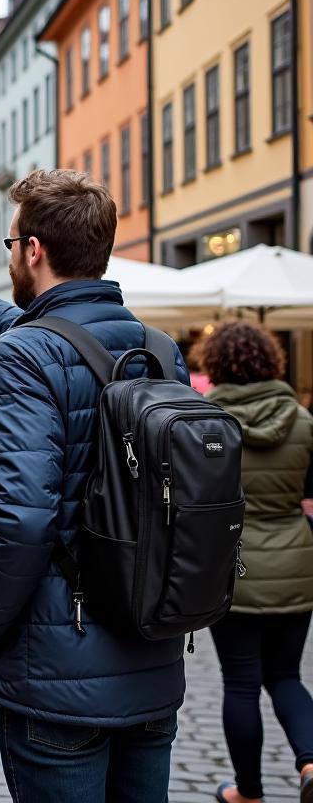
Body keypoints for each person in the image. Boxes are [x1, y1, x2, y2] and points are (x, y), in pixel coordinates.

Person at [0, 169, 189, 803]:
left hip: (60, 670)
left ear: (34, 250)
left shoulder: (25, 355)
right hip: (153, 650)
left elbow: (20, 520)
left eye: (9, 243)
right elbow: (49, 334)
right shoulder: (159, 350)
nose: (9, 255)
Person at [194, 322, 313, 803]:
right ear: (271, 362)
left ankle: (250, 792)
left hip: (231, 565)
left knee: (240, 682)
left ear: (216, 364)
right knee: (285, 676)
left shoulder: (204, 422)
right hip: (295, 565)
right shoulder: (303, 421)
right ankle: (310, 762)